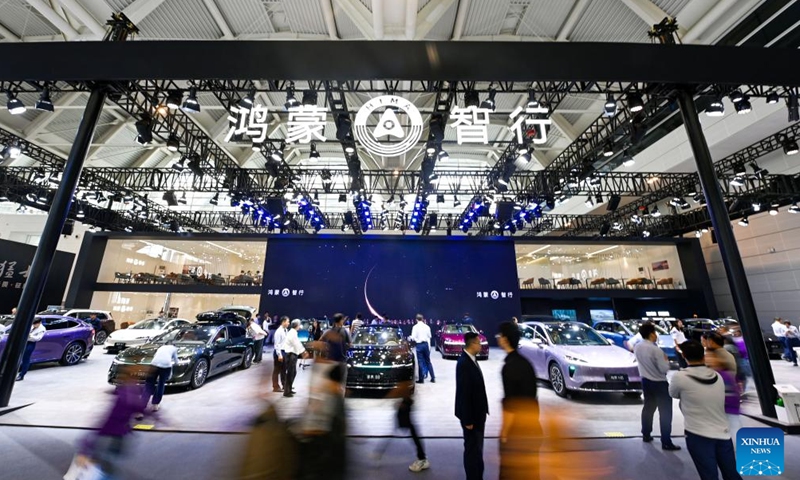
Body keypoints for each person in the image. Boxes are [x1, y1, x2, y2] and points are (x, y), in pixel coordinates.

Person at [669, 340, 743, 480]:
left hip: (697, 433)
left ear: (684, 355)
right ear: (703, 355)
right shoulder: (718, 376)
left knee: (709, 475)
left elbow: (673, 393)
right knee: (731, 474)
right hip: (722, 432)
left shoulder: (680, 377)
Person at [78, 364, 150, 479]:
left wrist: (85, 448)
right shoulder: (130, 394)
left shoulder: (125, 394)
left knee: (105, 466)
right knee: (107, 466)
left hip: (113, 437)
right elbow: (143, 410)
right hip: (116, 438)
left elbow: (107, 422)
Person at [497, 321, 541, 480]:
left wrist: (504, 433)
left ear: (505, 339)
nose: (498, 338)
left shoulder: (509, 367)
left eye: (500, 335)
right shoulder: (526, 363)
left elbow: (511, 406)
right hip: (533, 429)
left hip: (517, 435)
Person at [634, 322, 680, 451]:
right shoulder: (656, 350)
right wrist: (666, 360)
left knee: (648, 408)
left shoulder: (638, 347)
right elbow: (664, 369)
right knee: (665, 412)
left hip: (646, 382)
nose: (656, 335)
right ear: (651, 334)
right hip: (659, 383)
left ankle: (646, 434)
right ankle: (666, 441)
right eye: (655, 332)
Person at [455, 332, 489, 480]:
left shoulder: (472, 360)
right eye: (479, 343)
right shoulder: (464, 363)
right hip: (472, 418)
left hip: (478, 414)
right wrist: (467, 420)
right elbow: (464, 392)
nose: (480, 345)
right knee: (471, 450)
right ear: (472, 344)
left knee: (477, 449)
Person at [703, 332, 741, 435]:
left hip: (726, 404)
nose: (707, 360)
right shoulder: (727, 354)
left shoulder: (721, 373)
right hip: (726, 404)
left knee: (731, 429)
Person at [144, 341, 177, 412]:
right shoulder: (174, 348)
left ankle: (141, 407)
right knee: (161, 384)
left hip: (153, 364)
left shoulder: (161, 347)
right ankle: (155, 405)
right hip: (165, 367)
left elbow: (155, 356)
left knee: (148, 385)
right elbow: (176, 361)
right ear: (174, 345)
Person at [282, 319, 307, 398]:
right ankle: (287, 391)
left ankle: (289, 389)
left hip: (293, 355)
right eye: (299, 324)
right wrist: (303, 352)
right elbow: (296, 344)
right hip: (291, 355)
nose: (300, 326)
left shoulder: (293, 332)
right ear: (297, 325)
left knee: (293, 373)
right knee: (290, 373)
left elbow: (297, 343)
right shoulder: (292, 333)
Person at [16, 317, 46, 381]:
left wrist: (30, 336)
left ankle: (22, 375)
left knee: (25, 358)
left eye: (35, 324)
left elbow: (38, 338)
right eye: (33, 324)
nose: (34, 325)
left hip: (30, 343)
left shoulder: (42, 329)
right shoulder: (31, 324)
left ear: (39, 323)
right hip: (23, 341)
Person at [410, 314, 435, 384]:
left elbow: (413, 337)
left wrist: (412, 338)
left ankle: (421, 379)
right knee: (428, 361)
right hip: (426, 344)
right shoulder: (427, 327)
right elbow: (429, 336)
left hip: (419, 345)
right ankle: (433, 377)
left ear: (416, 319)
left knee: (420, 362)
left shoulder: (415, 327)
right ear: (423, 319)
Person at [272, 316, 290, 393]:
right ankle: (275, 387)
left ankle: (285, 385)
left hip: (285, 352)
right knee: (277, 370)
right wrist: (279, 354)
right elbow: (277, 345)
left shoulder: (286, 330)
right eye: (287, 322)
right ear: (283, 322)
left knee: (284, 370)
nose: (288, 323)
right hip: (279, 352)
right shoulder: (278, 332)